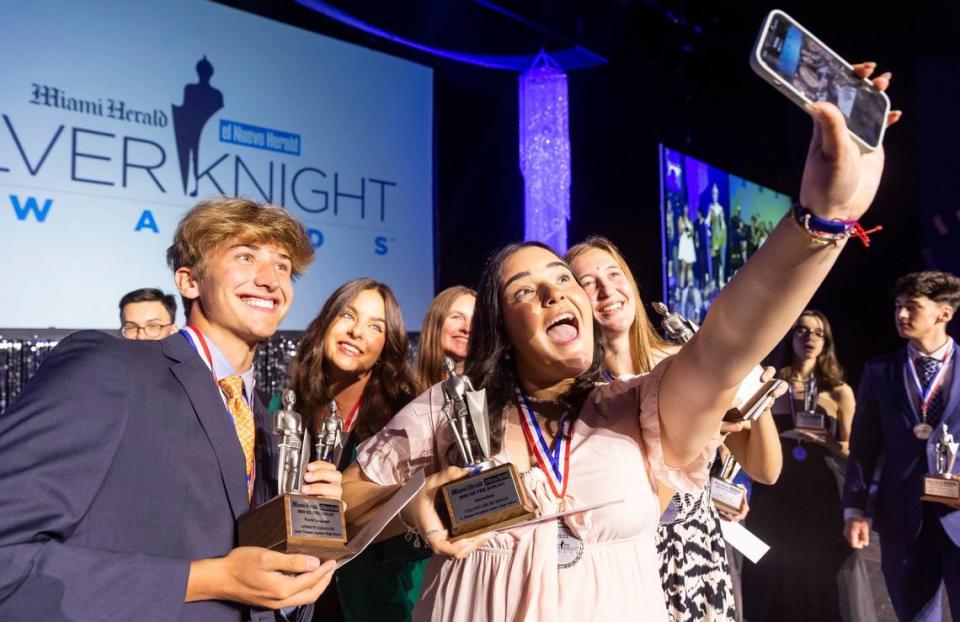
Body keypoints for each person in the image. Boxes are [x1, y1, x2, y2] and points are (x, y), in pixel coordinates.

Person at [341, 66, 898, 620]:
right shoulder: (452, 407)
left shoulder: (640, 406)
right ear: (500, 329)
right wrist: (413, 504)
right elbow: (341, 503)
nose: (555, 293)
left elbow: (728, 339)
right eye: (524, 290)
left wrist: (821, 220)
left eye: (563, 279)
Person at [0, 198, 342, 621]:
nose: (271, 279)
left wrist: (303, 554)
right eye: (246, 256)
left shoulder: (267, 426)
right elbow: (7, 558)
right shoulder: (109, 368)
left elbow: (262, 589)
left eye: (283, 266)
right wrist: (207, 579)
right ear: (189, 281)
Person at [567, 235, 783, 622]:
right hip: (626, 559)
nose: (606, 289)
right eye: (588, 282)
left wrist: (751, 387)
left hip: (697, 554)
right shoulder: (578, 393)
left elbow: (766, 471)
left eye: (614, 274)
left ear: (631, 283)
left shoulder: (686, 364)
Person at [273, 278, 422, 622]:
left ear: (388, 345)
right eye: (347, 316)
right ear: (326, 323)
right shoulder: (285, 408)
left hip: (377, 599)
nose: (357, 332)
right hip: (294, 594)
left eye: (375, 326)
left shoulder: (404, 415)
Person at [843, 271, 960, 621]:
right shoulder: (880, 371)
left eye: (912, 307)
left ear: (944, 314)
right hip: (903, 523)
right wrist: (855, 509)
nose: (901, 315)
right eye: (897, 307)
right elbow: (863, 448)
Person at [743, 310, 858, 622]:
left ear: (826, 342)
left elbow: (854, 451)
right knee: (769, 567)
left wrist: (828, 442)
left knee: (816, 571)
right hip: (774, 489)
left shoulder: (839, 391)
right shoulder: (769, 385)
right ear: (790, 336)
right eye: (802, 331)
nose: (810, 338)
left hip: (819, 492)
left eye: (818, 333)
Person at [414, 286, 477, 388]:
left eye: (475, 321)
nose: (467, 328)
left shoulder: (494, 395)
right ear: (434, 323)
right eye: (456, 317)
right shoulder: (402, 395)